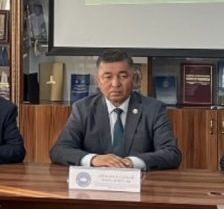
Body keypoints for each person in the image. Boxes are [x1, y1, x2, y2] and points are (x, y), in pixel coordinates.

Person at [50, 50, 181, 169]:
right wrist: (94, 159)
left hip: (141, 183)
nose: (115, 84)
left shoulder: (153, 109)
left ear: (134, 78)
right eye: (108, 77)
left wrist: (132, 162)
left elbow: (171, 153)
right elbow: (59, 150)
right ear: (98, 80)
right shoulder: (83, 108)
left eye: (123, 76)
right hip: (96, 183)